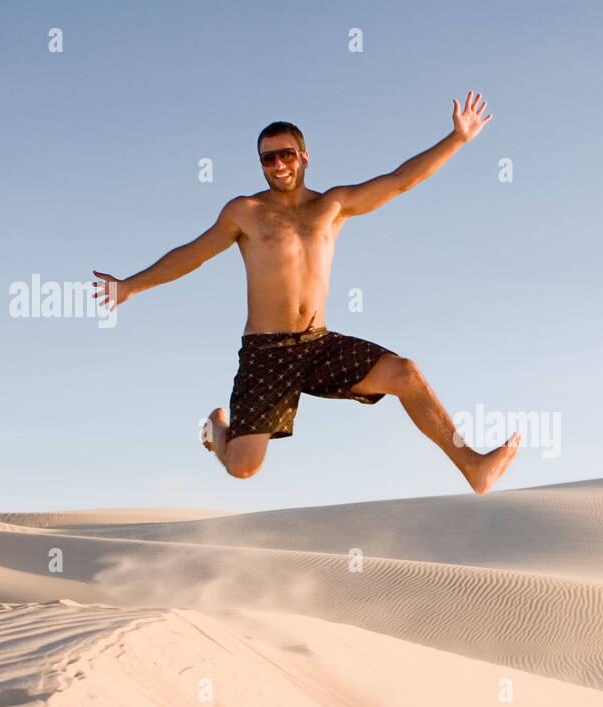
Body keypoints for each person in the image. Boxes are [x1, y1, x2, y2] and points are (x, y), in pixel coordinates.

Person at [93, 91, 519, 493]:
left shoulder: (331, 206)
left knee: (405, 373)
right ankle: (217, 430)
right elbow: (193, 253)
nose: (278, 164)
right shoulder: (245, 211)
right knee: (244, 467)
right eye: (267, 158)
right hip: (266, 350)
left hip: (318, 343)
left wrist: (458, 138)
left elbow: (400, 181)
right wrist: (131, 285)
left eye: (286, 154)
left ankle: (473, 466)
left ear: (304, 157)